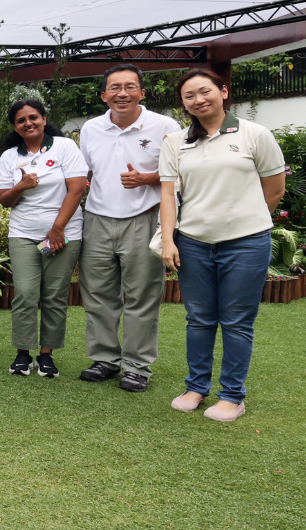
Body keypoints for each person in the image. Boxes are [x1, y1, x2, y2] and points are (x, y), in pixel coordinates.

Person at [160, 69, 286, 422]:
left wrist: (244, 221)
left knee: (236, 321)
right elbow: (168, 194)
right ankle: (196, 387)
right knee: (198, 319)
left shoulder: (254, 134)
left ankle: (232, 395)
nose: (198, 100)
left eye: (205, 91)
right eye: (189, 96)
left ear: (223, 91)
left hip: (246, 244)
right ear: (183, 103)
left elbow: (274, 190)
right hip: (194, 243)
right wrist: (169, 239)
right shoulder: (175, 141)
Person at [77, 64, 182, 392]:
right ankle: (105, 359)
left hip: (144, 219)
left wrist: (146, 178)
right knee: (97, 294)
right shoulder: (91, 129)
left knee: (142, 296)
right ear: (104, 94)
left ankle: (137, 367)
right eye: (115, 88)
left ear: (142, 92)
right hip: (97, 219)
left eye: (130, 87)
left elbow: (180, 174)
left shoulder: (165, 126)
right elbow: (86, 175)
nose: (122, 93)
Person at [0, 100, 88, 379]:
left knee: (54, 295)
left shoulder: (65, 147)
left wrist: (58, 228)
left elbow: (77, 189)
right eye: (21, 120)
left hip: (64, 234)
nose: (28, 123)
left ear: (44, 118)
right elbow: (4, 200)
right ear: (15, 126)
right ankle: (23, 352)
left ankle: (46, 354)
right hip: (23, 232)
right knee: (24, 293)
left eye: (33, 117)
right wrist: (21, 186)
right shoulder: (10, 156)